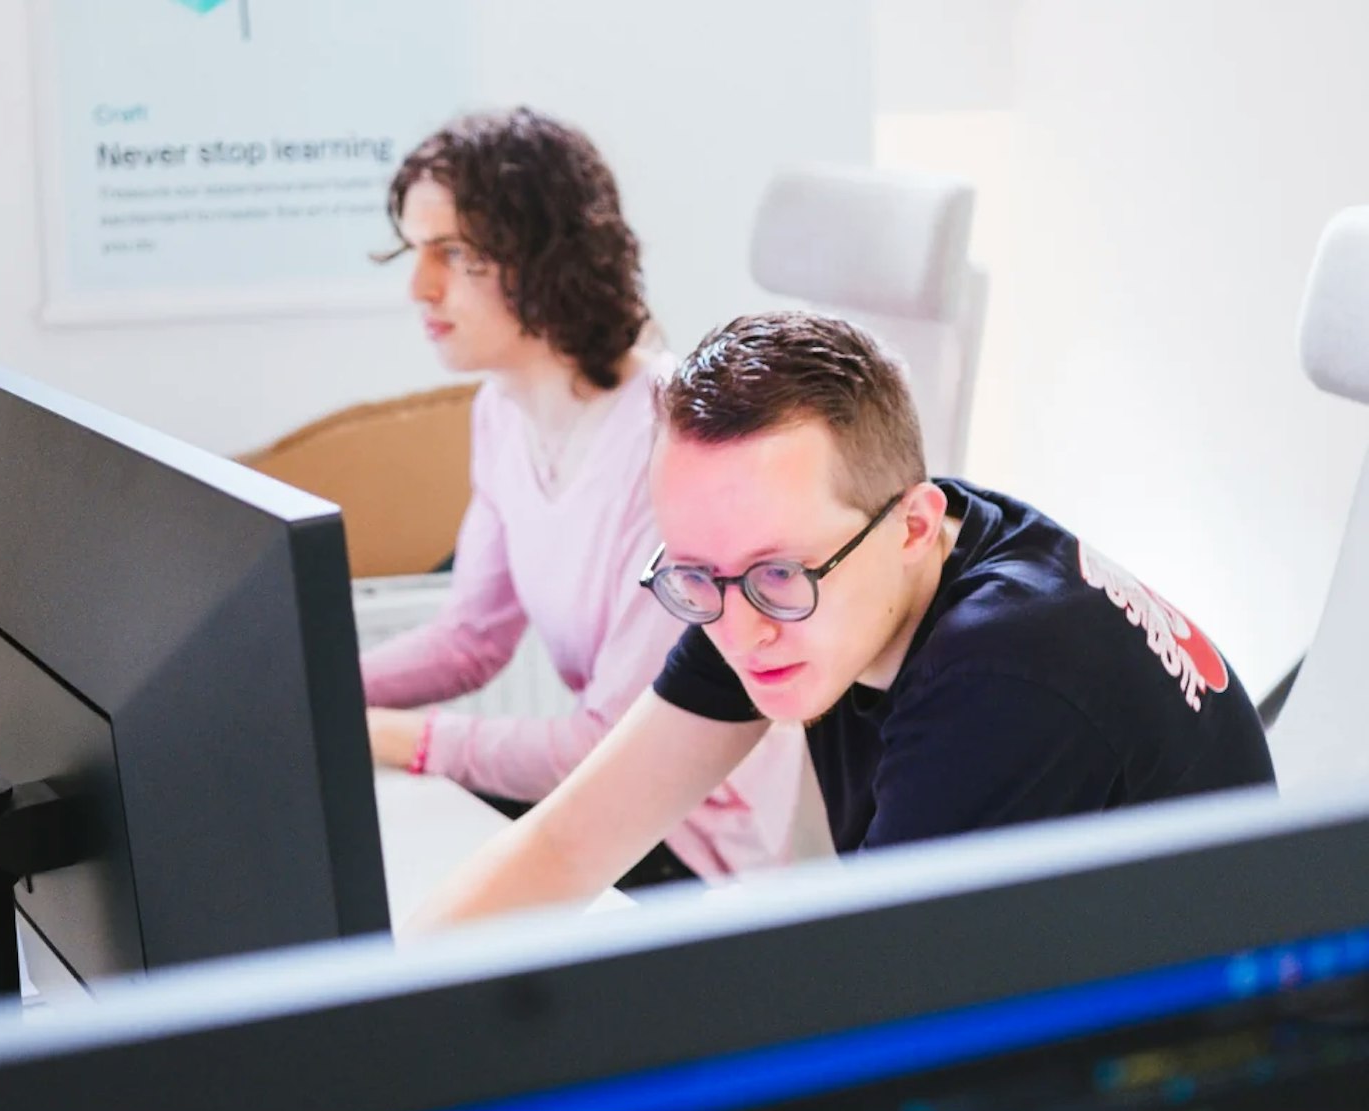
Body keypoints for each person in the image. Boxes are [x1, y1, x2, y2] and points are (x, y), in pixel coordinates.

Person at [407, 309, 1276, 930]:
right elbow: (567, 846)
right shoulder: (778, 581)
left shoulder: (1000, 683)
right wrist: (368, 1024)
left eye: (778, 574)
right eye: (696, 576)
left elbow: (876, 1016)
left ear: (910, 524)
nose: (738, 632)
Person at [360, 109, 805, 889]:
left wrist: (390, 736)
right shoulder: (500, 411)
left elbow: (607, 742)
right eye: (413, 250)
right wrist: (315, 689)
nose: (417, 286)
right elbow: (471, 637)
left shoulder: (670, 441)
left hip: (690, 843)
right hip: (605, 808)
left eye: (453, 252)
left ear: (544, 261)